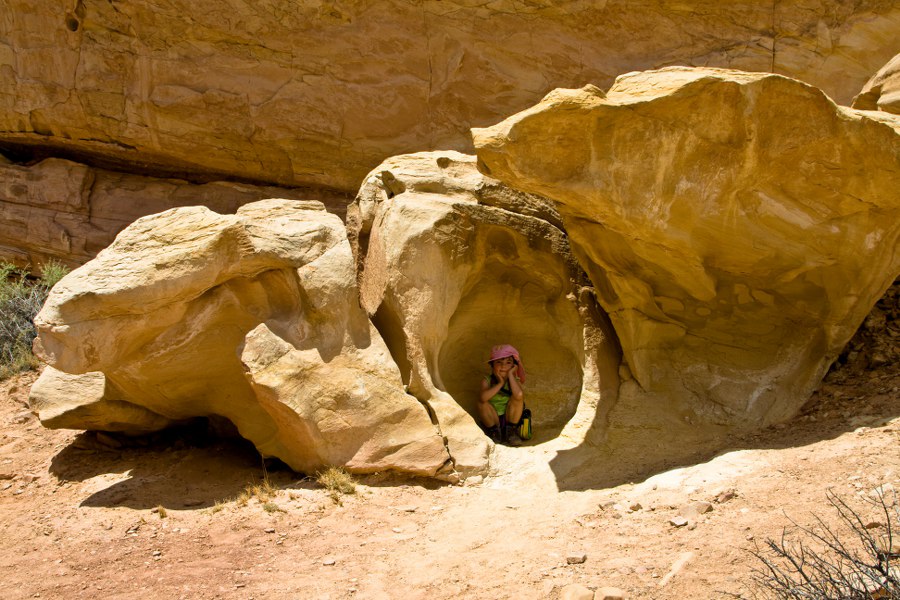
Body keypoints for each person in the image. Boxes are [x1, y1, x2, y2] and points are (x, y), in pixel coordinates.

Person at [479, 344, 525, 446]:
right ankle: (494, 433)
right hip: (493, 419)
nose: (503, 366)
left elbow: (519, 395)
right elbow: (483, 398)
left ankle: (511, 432)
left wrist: (510, 375)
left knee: (517, 398)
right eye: (499, 362)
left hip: (510, 417)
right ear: (492, 365)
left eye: (508, 363)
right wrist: (500, 384)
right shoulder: (487, 380)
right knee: (481, 403)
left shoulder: (513, 381)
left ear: (513, 366)